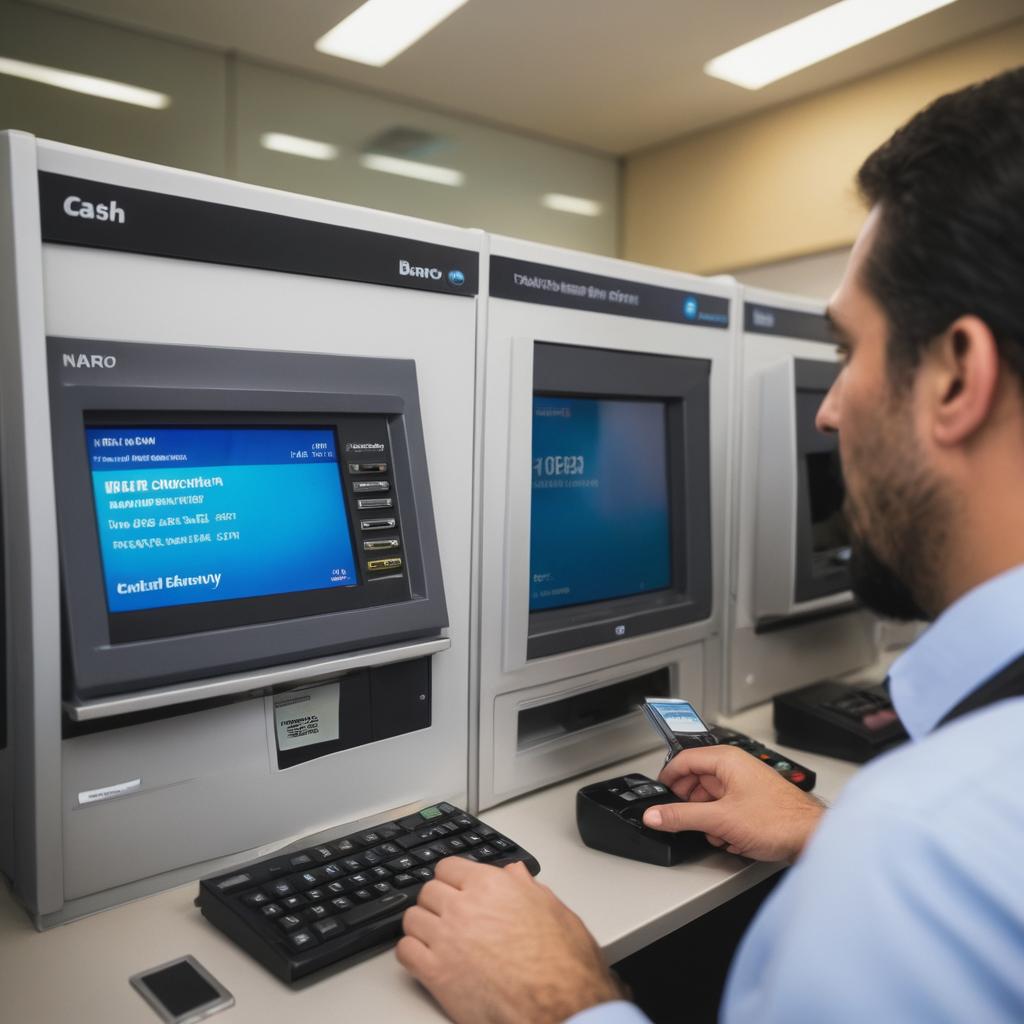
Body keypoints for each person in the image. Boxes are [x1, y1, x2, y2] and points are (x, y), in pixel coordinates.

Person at [396, 66, 1024, 1023]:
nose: (829, 409)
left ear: (956, 378)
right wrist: (829, 830)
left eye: (852, 350)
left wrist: (559, 1001)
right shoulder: (932, 834)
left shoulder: (922, 856)